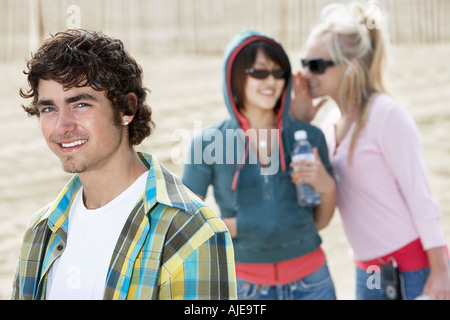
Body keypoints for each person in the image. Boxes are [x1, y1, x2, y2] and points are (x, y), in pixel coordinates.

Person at [11, 29, 236, 300]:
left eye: (80, 104)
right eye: (49, 109)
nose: (62, 126)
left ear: (127, 109)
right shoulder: (40, 230)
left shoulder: (192, 232)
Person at [291, 2, 450, 300]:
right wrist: (300, 123)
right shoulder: (327, 126)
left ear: (351, 67)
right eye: (303, 62)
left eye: (317, 65)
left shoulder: (386, 114)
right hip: (368, 274)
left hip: (413, 270)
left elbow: (421, 197)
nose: (305, 73)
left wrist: (441, 272)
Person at [182, 31, 337, 300]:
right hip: (243, 288)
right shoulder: (207, 143)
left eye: (279, 73)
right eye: (259, 72)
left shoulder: (310, 137)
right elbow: (186, 226)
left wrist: (326, 185)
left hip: (313, 283)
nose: (272, 81)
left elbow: (320, 222)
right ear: (234, 76)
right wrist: (243, 225)